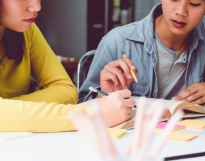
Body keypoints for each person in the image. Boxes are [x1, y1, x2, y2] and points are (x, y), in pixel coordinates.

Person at [78, 0, 205, 104]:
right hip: (135, 149)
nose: (181, 11)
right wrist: (104, 96)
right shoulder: (118, 41)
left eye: (194, 3)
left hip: (195, 141)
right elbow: (82, 104)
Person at [0, 0, 135, 132]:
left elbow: (66, 91)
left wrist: (11, 111)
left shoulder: (26, 32)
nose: (37, 6)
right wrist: (90, 116)